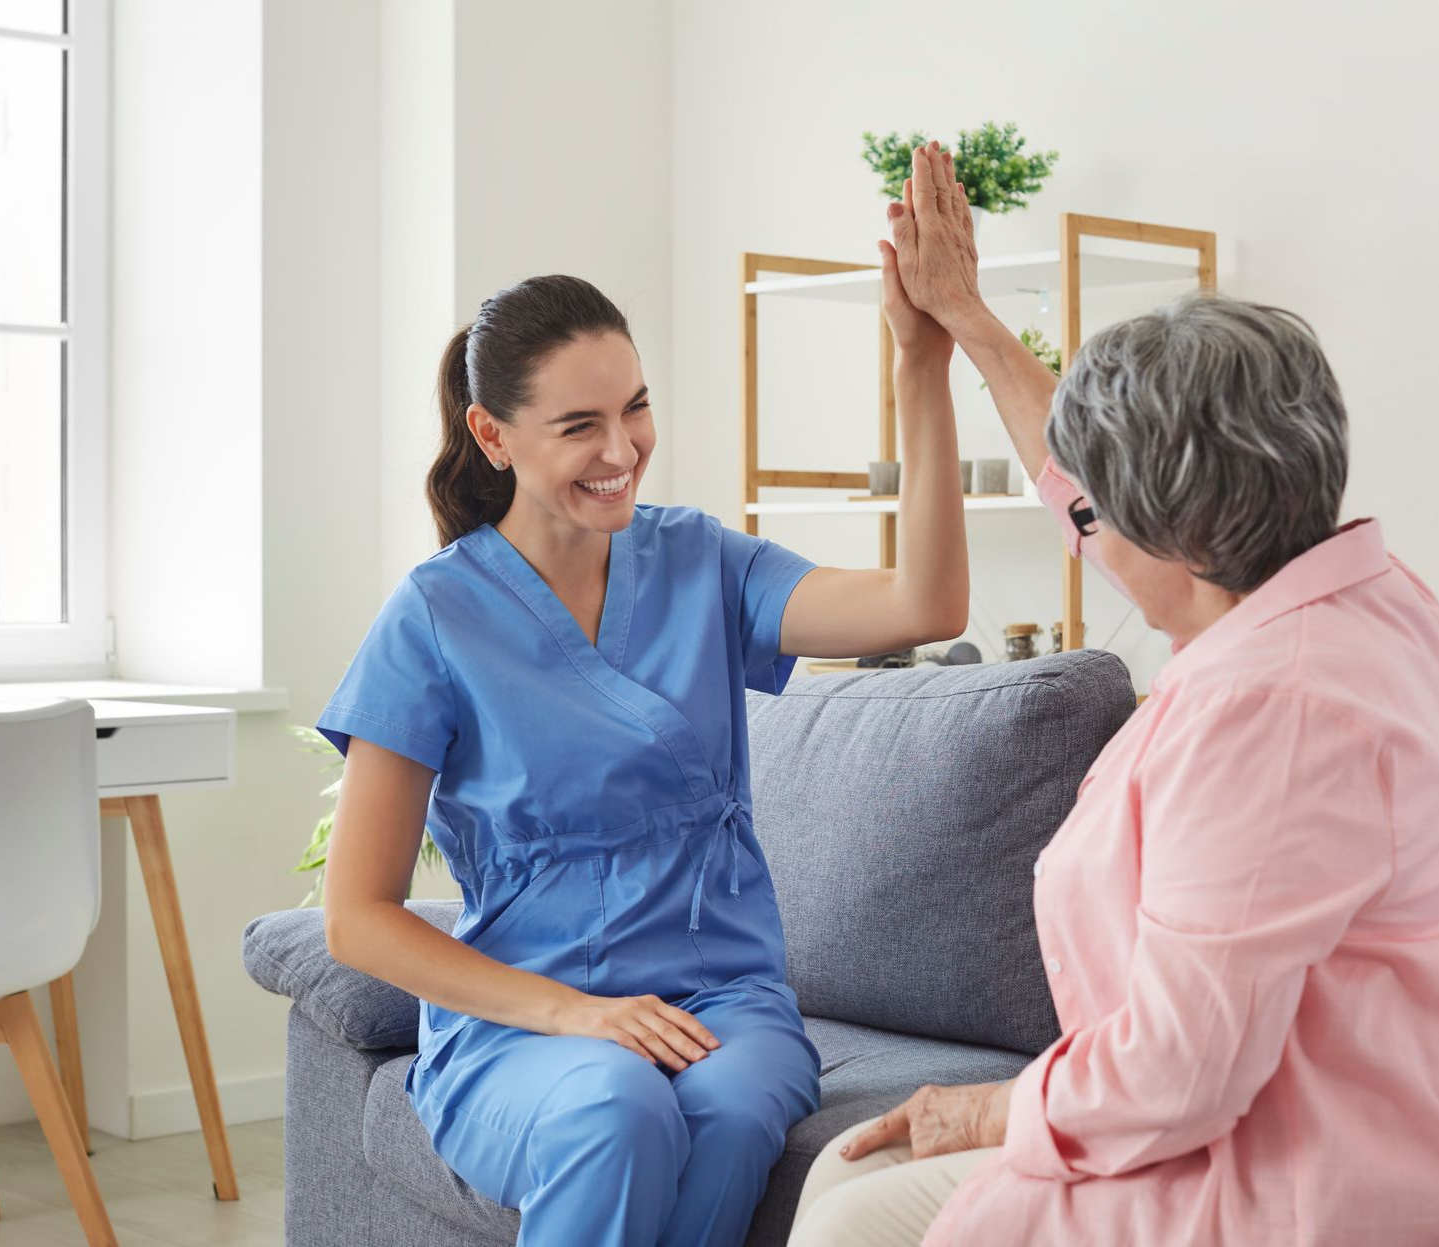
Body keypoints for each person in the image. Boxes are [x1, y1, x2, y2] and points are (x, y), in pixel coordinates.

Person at [788, 140, 1439, 1247]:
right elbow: (1112, 483)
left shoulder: (1270, 710)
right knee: (848, 1186)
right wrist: (968, 322)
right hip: (1351, 1114)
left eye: (1093, 519)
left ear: (1181, 534)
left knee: (856, 1211)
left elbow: (1180, 1071)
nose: (1076, 530)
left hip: (1300, 1175)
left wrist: (987, 1106)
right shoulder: (1355, 589)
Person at [316, 240, 969, 1245]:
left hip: (722, 999)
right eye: (580, 424)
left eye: (635, 407)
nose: (621, 447)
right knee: (614, 1106)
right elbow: (359, 917)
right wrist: (575, 1014)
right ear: (492, 434)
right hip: (523, 1025)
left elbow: (922, 602)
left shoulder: (703, 562)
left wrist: (919, 367)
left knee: (731, 1105)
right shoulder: (435, 616)